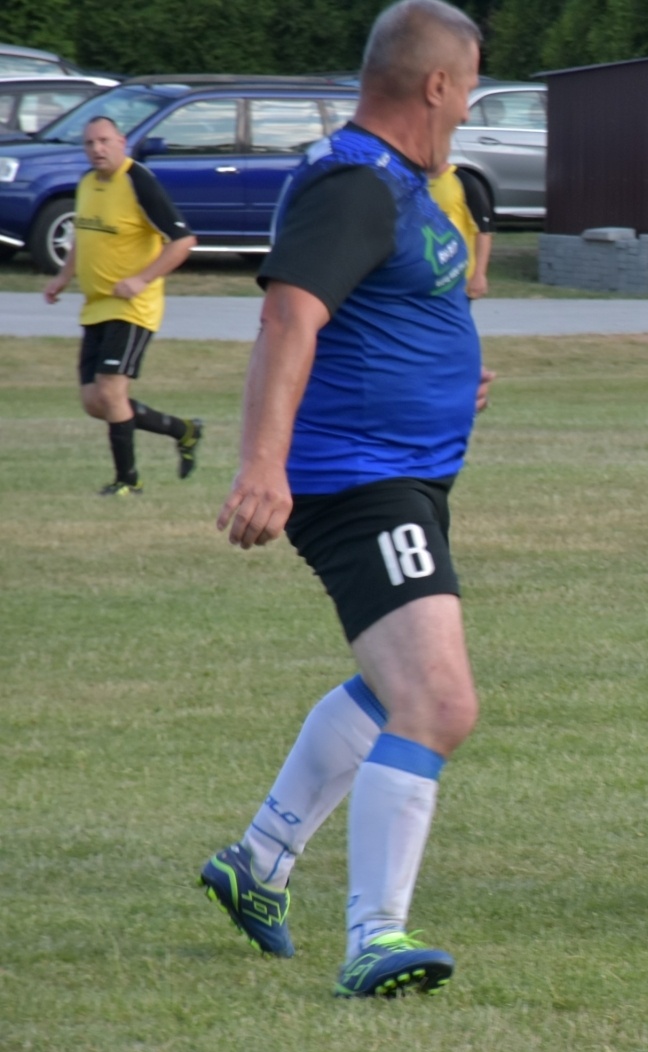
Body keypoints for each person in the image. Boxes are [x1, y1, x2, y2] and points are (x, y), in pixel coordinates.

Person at [198, 0, 494, 998]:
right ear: (437, 85)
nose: (471, 108)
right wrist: (261, 464)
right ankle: (374, 936)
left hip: (404, 474)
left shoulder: (401, 184)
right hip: (361, 483)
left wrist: (451, 378)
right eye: (470, 88)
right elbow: (289, 317)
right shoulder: (356, 184)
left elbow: (381, 315)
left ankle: (258, 861)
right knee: (437, 700)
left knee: (388, 686)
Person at [43, 115, 202, 496]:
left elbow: (183, 242)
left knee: (111, 392)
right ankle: (183, 430)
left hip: (133, 307)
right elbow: (84, 234)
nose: (96, 149)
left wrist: (142, 279)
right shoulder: (86, 182)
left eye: (104, 141)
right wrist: (63, 276)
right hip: (96, 305)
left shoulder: (137, 180)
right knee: (93, 401)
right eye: (89, 143)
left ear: (121, 142)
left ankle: (128, 482)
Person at [429, 162, 494, 298]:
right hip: (424, 276)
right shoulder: (413, 180)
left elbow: (483, 232)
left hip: (458, 277)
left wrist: (479, 274)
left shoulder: (465, 181)